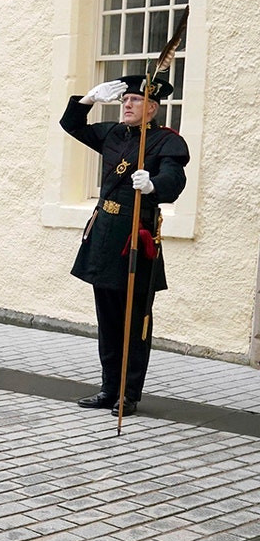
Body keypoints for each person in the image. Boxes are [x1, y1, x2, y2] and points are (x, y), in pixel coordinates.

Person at [61, 75, 189, 417]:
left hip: (136, 237)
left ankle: (129, 393)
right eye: (124, 100)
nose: (127, 105)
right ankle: (108, 388)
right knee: (108, 319)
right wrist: (88, 99)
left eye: (135, 101)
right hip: (105, 235)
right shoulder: (112, 133)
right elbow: (71, 124)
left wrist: (153, 185)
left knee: (135, 320)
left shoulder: (166, 141)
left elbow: (175, 181)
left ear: (152, 107)